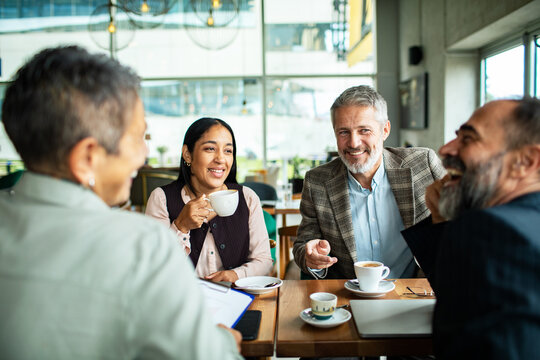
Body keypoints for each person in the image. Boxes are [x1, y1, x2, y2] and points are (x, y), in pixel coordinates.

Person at [0, 46, 242, 359]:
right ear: (88, 157)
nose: (143, 155)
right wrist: (224, 345)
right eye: (138, 137)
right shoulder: (143, 247)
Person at [402, 98, 540, 359]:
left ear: (526, 161)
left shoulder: (490, 231)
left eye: (468, 139)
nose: (445, 149)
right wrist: (441, 220)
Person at [292, 85, 446, 279]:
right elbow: (302, 245)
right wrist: (311, 258)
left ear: (385, 130)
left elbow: (462, 218)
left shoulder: (422, 164)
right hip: (349, 295)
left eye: (364, 130)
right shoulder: (317, 182)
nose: (354, 143)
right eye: (343, 132)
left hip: (412, 290)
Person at [145, 118, 273, 283]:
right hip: (180, 302)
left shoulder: (248, 198)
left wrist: (235, 275)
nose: (220, 159)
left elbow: (263, 261)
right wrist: (180, 227)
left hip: (236, 299)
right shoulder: (161, 198)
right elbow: (154, 269)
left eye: (228, 151)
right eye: (210, 148)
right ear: (187, 154)